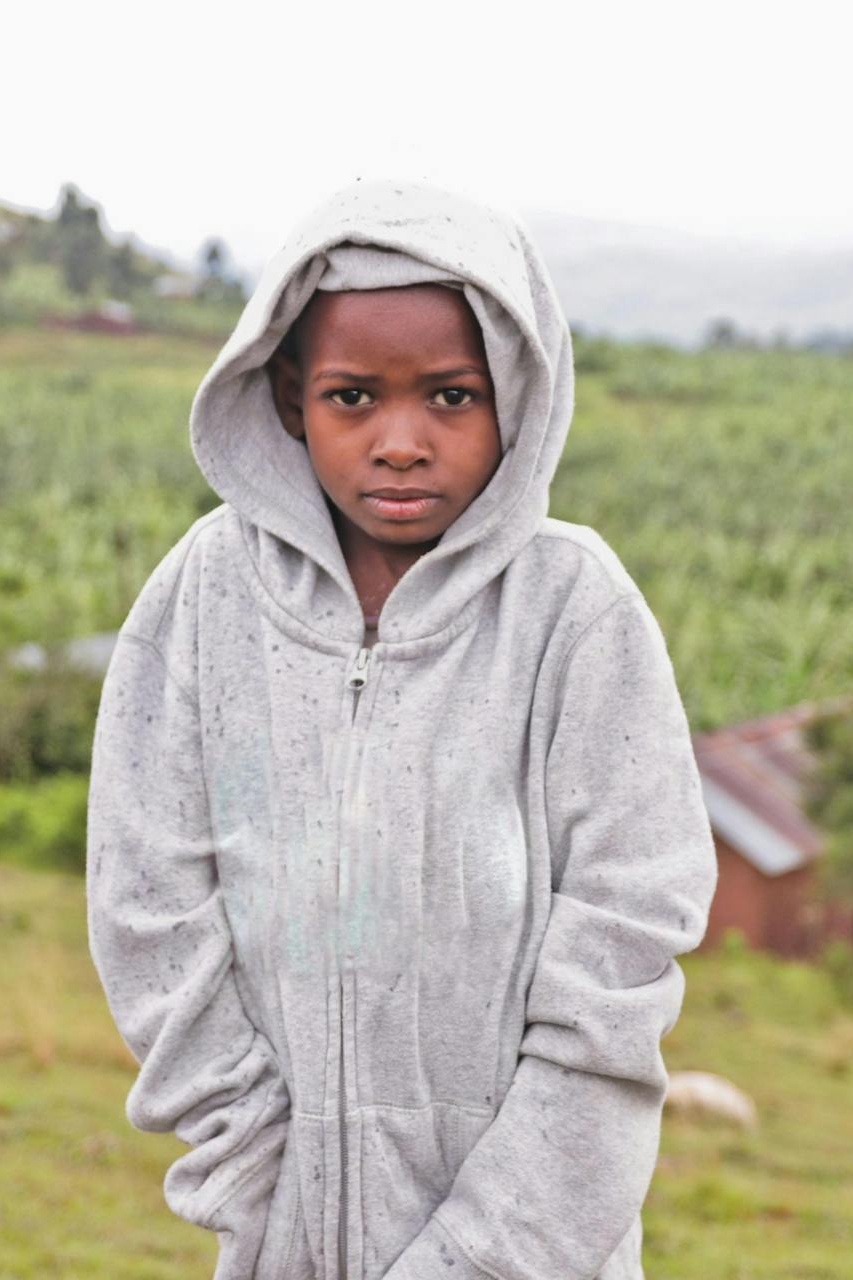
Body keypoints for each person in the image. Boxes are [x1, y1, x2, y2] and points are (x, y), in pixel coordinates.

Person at [85, 178, 717, 1280]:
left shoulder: (576, 611)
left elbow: (618, 959)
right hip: (285, 1241)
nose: (402, 441)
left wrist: (482, 1256)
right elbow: (149, 906)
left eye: (451, 397)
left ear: (515, 393)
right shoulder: (206, 596)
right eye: (353, 397)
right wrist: (254, 1176)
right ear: (288, 395)